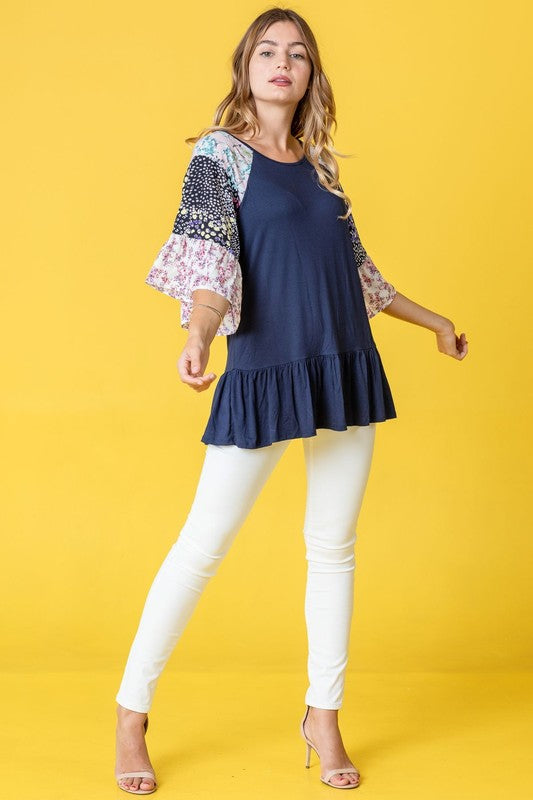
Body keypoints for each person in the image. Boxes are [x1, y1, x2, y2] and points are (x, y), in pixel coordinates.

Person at [114, 7, 468, 795]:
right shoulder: (218, 157)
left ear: (311, 75)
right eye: (267, 51)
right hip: (267, 370)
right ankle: (132, 713)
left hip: (343, 366)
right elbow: (209, 262)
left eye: (297, 54)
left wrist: (433, 322)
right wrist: (200, 335)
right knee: (201, 548)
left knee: (333, 550)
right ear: (245, 67)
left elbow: (358, 272)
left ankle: (323, 715)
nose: (282, 63)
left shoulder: (318, 166)